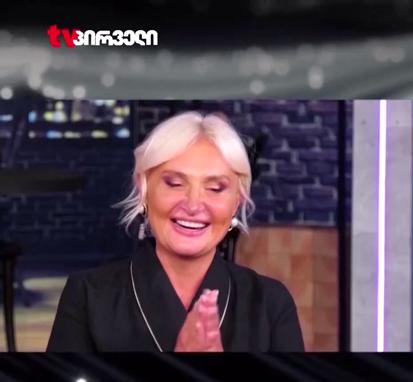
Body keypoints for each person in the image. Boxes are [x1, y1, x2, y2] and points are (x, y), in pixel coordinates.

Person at [47, 111, 304, 352]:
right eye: (174, 183)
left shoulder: (271, 304)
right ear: (143, 190)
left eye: (215, 188)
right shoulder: (87, 295)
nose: (193, 205)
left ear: (236, 202)